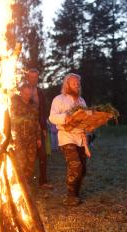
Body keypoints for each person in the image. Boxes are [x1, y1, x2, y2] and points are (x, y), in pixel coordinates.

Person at [49, 73, 87, 206]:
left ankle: (76, 194)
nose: (76, 85)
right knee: (75, 166)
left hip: (80, 138)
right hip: (66, 136)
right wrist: (66, 117)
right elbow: (52, 117)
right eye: (73, 83)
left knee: (83, 169)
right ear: (67, 85)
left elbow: (85, 119)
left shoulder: (81, 101)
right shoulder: (59, 99)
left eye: (78, 83)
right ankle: (70, 196)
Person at [26, 69, 53, 189]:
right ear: (27, 77)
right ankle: (24, 182)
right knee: (26, 156)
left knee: (42, 155)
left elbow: (43, 110)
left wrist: (44, 127)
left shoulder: (40, 92)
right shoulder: (21, 90)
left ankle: (43, 181)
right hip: (25, 129)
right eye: (31, 77)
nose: (33, 79)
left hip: (40, 127)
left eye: (35, 77)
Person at [10, 83, 42, 182]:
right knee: (21, 162)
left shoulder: (33, 106)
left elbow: (36, 123)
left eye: (29, 94)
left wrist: (38, 138)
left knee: (31, 162)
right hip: (19, 138)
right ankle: (18, 183)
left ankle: (26, 183)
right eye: (26, 94)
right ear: (21, 93)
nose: (28, 96)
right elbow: (12, 121)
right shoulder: (15, 105)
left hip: (32, 139)